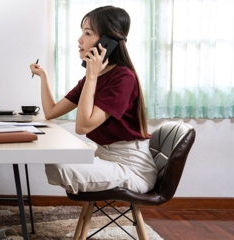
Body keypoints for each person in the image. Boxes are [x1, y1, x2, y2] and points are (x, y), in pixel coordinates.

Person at [29, 6, 157, 194]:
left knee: (58, 166)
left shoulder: (123, 78)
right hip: (105, 155)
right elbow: (51, 112)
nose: (80, 39)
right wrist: (43, 76)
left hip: (131, 167)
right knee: (54, 159)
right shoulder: (94, 77)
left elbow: (83, 126)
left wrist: (91, 76)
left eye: (87, 33)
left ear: (107, 42)